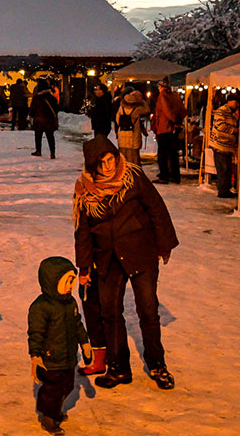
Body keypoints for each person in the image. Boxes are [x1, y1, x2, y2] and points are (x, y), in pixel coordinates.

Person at [74, 135, 179, 390]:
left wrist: (164, 244)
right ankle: (118, 367)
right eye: (102, 162)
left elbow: (156, 207)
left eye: (110, 159)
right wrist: (84, 268)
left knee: (147, 311)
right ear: (92, 165)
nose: (108, 166)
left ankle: (157, 365)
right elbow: (83, 231)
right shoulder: (84, 190)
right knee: (109, 313)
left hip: (140, 251)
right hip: (107, 258)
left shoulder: (133, 176)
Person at [28, 256, 92, 435]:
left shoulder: (70, 303)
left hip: (68, 357)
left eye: (72, 281)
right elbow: (35, 334)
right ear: (52, 282)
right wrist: (35, 355)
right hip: (50, 359)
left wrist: (85, 343)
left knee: (67, 387)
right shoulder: (41, 307)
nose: (71, 286)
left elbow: (77, 324)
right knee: (52, 390)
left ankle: (53, 410)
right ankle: (49, 418)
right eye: (67, 282)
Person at [151, 78, 186, 184]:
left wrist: (173, 119)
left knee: (162, 153)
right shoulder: (175, 95)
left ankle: (164, 176)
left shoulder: (162, 96)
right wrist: (178, 121)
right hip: (173, 128)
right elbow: (183, 110)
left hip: (164, 127)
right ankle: (175, 176)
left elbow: (166, 111)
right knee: (173, 153)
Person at [209, 93, 240, 199]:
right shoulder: (221, 111)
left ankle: (226, 189)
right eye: (236, 102)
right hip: (220, 145)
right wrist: (234, 130)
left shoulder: (232, 114)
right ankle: (223, 191)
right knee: (223, 169)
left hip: (227, 146)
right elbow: (220, 125)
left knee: (227, 170)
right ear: (230, 101)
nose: (237, 105)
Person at [114, 90, 149, 165]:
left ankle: (124, 171)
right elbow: (147, 110)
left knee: (123, 157)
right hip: (134, 135)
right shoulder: (137, 109)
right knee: (134, 158)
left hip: (122, 135)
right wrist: (142, 101)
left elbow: (117, 120)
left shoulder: (121, 108)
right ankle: (134, 172)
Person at [30, 80, 59, 159]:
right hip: (49, 121)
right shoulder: (52, 98)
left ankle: (38, 150)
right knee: (50, 137)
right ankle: (52, 153)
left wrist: (32, 116)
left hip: (39, 120)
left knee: (38, 136)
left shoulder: (36, 98)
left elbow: (32, 110)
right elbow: (56, 109)